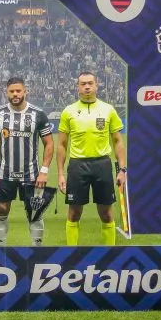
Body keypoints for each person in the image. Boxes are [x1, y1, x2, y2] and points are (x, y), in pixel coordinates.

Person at [56, 72, 127, 246]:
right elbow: (62, 145)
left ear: (96, 85)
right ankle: (71, 253)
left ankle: (110, 253)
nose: (87, 87)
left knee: (106, 213)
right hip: (77, 166)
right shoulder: (68, 111)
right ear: (78, 87)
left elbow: (118, 141)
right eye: (83, 84)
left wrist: (122, 170)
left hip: (102, 164)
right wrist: (60, 174)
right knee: (74, 212)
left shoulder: (108, 109)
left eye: (90, 83)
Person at [0, 77, 55, 245]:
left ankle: (37, 250)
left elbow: (49, 143)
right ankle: (0, 248)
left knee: (35, 212)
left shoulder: (38, 114)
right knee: (1, 209)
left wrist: (44, 171)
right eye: (12, 91)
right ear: (6, 93)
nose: (15, 94)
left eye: (18, 91)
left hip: (31, 173)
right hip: (4, 172)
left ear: (26, 91)